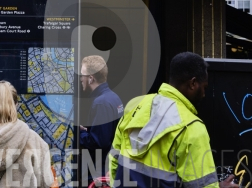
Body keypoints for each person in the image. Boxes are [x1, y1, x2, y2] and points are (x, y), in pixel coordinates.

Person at [109, 52, 235, 188]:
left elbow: (114, 159)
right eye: (204, 87)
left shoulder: (136, 105)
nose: (204, 94)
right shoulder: (191, 127)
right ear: (193, 83)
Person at [79, 55, 123, 184]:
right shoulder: (113, 98)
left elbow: (99, 142)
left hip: (99, 173)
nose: (81, 79)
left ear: (91, 78)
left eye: (82, 75)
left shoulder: (100, 103)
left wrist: (78, 133)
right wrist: (88, 130)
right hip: (108, 168)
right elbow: (108, 133)